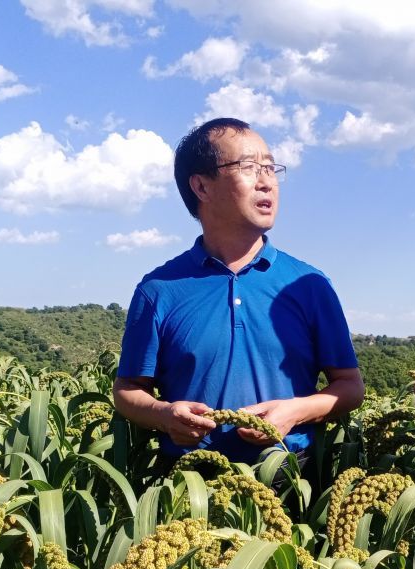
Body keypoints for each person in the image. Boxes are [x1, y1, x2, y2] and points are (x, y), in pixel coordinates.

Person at [113, 118, 364, 471]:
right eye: (249, 167)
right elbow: (127, 389)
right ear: (201, 186)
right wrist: (164, 414)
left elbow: (350, 387)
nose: (267, 182)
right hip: (189, 482)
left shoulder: (308, 284)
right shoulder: (159, 289)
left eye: (270, 167)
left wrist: (294, 412)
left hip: (288, 478)